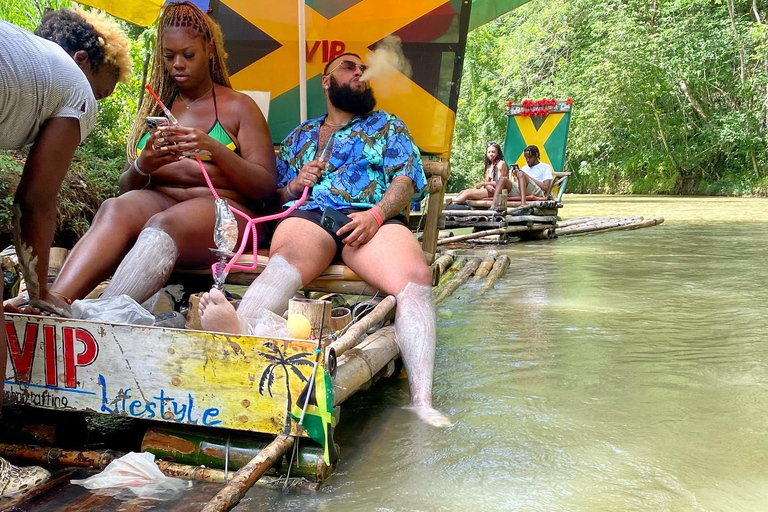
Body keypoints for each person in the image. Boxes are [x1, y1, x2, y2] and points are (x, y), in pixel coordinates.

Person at [198, 52, 451, 427]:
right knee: (286, 261)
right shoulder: (300, 135)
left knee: (415, 280)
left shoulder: (387, 126)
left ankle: (422, 402)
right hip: (310, 216)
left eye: (363, 68)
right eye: (349, 67)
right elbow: (273, 196)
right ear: (326, 80)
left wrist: (376, 215)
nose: (359, 73)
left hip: (371, 219)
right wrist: (294, 185)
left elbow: (405, 181)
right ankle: (239, 335)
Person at [47, 1, 277, 310]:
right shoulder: (158, 107)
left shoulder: (239, 107)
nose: (178, 64)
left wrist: (213, 148)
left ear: (209, 50)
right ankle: (51, 303)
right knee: (115, 208)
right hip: (162, 199)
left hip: (225, 213)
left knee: (165, 224)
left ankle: (102, 319)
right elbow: (127, 186)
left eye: (188, 55)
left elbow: (264, 188)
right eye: (169, 57)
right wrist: (145, 164)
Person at [0, 7, 132, 496]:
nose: (92, 108)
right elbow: (35, 201)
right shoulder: (72, 82)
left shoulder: (25, 60)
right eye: (101, 95)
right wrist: (39, 291)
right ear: (84, 62)